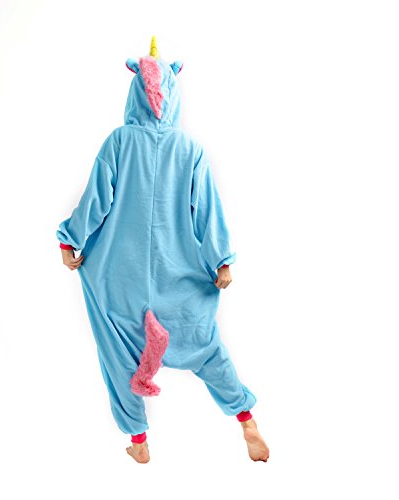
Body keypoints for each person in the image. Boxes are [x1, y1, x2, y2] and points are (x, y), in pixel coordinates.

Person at [56, 37, 269, 463]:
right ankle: (245, 419)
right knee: (205, 347)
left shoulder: (119, 142)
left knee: (117, 351)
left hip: (119, 275)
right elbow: (207, 209)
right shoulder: (189, 149)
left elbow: (97, 199)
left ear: (135, 92)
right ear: (172, 94)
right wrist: (221, 260)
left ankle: (138, 441)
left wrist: (70, 238)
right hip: (178, 275)